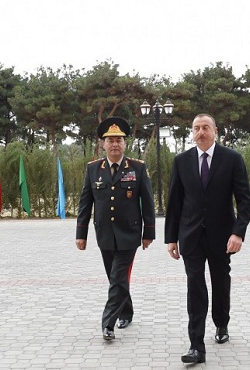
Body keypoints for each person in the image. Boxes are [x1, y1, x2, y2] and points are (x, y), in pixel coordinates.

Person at [165, 114, 250, 364]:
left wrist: (238, 232)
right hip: (190, 236)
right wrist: (171, 238)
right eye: (196, 128)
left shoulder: (232, 159)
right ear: (192, 133)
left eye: (205, 128)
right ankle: (196, 346)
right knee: (195, 287)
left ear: (216, 131)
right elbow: (175, 202)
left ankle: (221, 323)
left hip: (222, 236)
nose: (200, 132)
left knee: (220, 281)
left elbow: (244, 200)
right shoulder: (181, 161)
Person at [75, 116, 156, 341]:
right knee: (115, 278)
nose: (114, 144)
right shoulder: (93, 169)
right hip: (104, 234)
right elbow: (85, 203)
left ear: (125, 143)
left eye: (119, 140)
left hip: (129, 233)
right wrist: (81, 234)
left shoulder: (137, 168)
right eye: (110, 140)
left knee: (119, 276)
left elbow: (148, 203)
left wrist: (148, 232)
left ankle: (108, 324)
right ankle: (127, 311)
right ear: (103, 144)